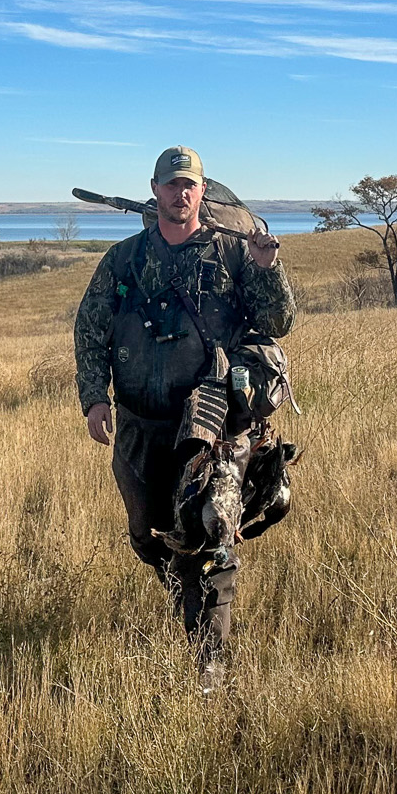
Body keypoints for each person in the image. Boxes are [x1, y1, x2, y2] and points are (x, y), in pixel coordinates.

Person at [73, 145, 295, 684]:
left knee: (214, 528)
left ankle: (209, 659)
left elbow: (278, 321)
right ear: (155, 191)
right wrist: (95, 398)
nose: (181, 194)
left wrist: (268, 269)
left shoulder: (234, 252)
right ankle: (186, 600)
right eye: (171, 185)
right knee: (150, 537)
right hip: (141, 425)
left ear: (202, 190)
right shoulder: (124, 259)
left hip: (215, 421)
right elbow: (89, 329)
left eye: (189, 185)